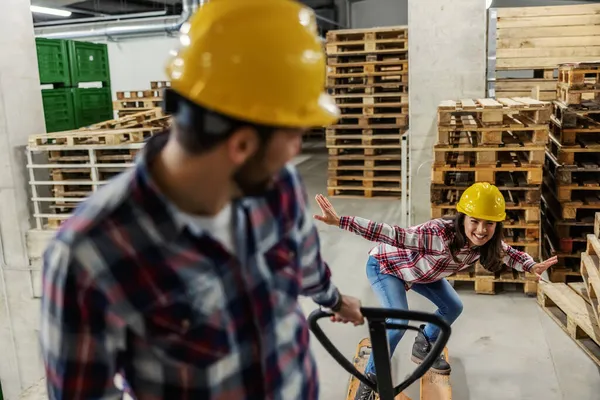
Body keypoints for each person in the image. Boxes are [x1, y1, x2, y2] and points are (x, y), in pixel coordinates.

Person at [39, 1, 365, 399]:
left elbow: (304, 263)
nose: (299, 147)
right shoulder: (90, 255)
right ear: (242, 144)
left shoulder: (278, 190)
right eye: (295, 133)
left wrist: (334, 301)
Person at [313, 182, 558, 400]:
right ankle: (370, 381)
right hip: (388, 267)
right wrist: (341, 221)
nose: (481, 230)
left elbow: (510, 253)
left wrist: (531, 265)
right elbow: (390, 233)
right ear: (463, 218)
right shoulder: (437, 236)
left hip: (423, 272)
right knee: (398, 320)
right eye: (475, 221)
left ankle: (424, 343)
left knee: (453, 306)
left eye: (489, 223)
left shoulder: (486, 242)